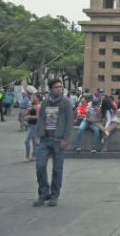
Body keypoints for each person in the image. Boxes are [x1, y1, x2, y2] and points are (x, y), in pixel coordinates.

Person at [33, 78, 73, 207]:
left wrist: (65, 139)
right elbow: (41, 119)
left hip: (58, 139)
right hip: (45, 139)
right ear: (50, 89)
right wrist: (38, 135)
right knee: (40, 165)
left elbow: (69, 122)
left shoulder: (66, 102)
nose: (59, 89)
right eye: (56, 87)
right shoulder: (45, 102)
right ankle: (43, 193)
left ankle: (54, 194)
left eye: (60, 87)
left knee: (57, 169)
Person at [24, 94, 41, 162]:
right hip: (31, 125)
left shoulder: (38, 106)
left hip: (35, 125)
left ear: (38, 98)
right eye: (32, 97)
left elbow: (38, 117)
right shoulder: (33, 106)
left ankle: (28, 156)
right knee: (34, 141)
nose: (32, 98)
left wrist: (29, 117)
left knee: (27, 141)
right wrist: (28, 109)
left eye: (34, 97)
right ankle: (34, 156)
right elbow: (26, 113)